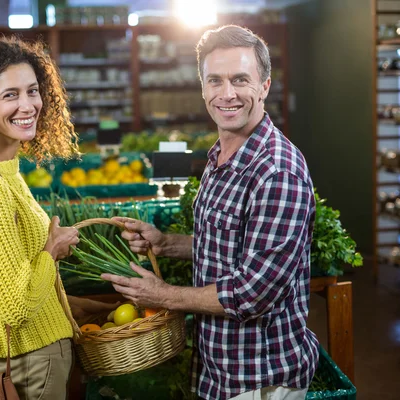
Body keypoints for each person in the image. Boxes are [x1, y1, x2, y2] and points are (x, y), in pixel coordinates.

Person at [102, 25, 319, 399]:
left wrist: (163, 295)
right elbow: (226, 242)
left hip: (259, 378)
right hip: (219, 370)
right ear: (202, 88)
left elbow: (252, 293)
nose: (227, 94)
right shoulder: (221, 154)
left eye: (240, 80)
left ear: (265, 86)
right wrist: (167, 243)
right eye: (215, 81)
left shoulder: (277, 171)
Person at [0, 36, 116, 399]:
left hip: (37, 357)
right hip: (30, 362)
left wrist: (81, 305)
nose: (28, 104)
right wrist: (53, 250)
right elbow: (16, 307)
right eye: (10, 95)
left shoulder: (5, 172)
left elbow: (18, 276)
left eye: (33, 91)